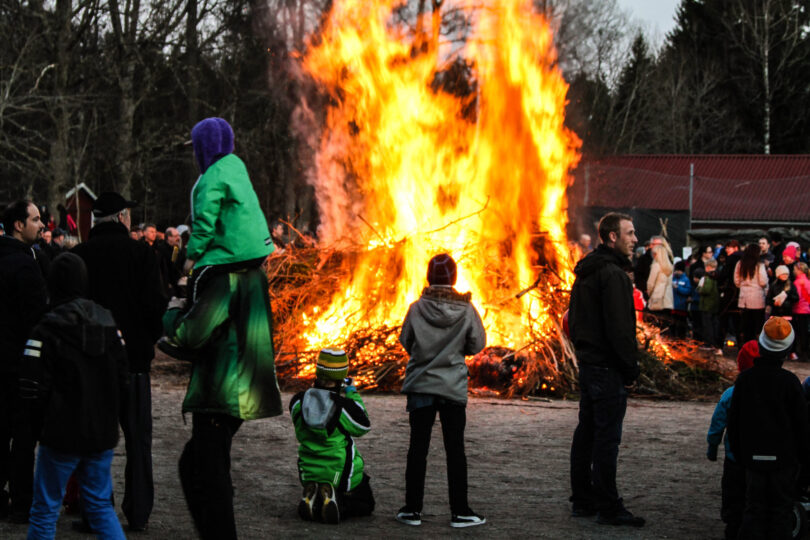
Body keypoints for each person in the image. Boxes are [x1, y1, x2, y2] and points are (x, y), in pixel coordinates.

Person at [161, 255, 283, 539]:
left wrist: (174, 310)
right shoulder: (251, 271)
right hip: (239, 387)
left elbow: (189, 333)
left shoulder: (225, 278)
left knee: (205, 476)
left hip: (222, 390)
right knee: (202, 468)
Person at [71, 192, 166, 532]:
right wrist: (147, 341)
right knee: (138, 438)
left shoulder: (80, 256)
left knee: (94, 440)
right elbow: (155, 304)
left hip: (91, 363)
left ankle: (95, 510)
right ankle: (138, 510)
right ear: (122, 218)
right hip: (133, 362)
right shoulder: (140, 254)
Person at [20, 253, 127, 540]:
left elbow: (31, 386)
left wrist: (41, 423)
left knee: (44, 510)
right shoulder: (108, 325)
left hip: (61, 434)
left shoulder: (46, 329)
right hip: (100, 433)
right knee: (101, 507)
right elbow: (122, 376)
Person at [396, 253, 487, 528]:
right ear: (455, 278)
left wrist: (425, 354)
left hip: (421, 385)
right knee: (455, 450)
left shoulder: (415, 308)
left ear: (428, 277)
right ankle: (460, 512)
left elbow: (406, 340)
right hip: (452, 388)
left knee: (417, 449)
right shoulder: (467, 310)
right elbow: (477, 344)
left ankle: (412, 510)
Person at [568, 212, 644, 527]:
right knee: (605, 438)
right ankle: (609, 506)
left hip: (590, 365)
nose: (635, 238)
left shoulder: (587, 272)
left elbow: (573, 320)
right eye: (629, 233)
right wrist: (630, 369)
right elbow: (619, 329)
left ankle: (582, 499)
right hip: (607, 368)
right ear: (612, 237)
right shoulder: (611, 275)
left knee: (586, 433)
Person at [728, 317, 810, 539]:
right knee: (780, 512)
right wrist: (801, 457)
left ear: (762, 345)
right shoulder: (790, 383)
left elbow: (734, 421)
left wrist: (739, 453)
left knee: (753, 509)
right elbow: (801, 425)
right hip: (783, 461)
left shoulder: (745, 380)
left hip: (752, 459)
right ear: (787, 350)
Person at [0, 200, 48, 523]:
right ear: (18, 224)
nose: (42, 225)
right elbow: (36, 318)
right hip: (18, 363)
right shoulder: (24, 265)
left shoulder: (22, 259)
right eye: (35, 219)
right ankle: (21, 502)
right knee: (23, 436)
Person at [183, 117, 274, 279]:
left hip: (231, 253)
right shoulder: (236, 165)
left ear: (204, 147)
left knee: (196, 280)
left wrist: (191, 258)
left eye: (195, 147)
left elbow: (205, 223)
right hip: (260, 249)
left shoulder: (211, 176)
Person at [289, 349, 373, 524]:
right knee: (366, 502)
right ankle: (337, 502)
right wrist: (351, 390)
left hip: (308, 470)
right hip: (338, 473)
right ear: (341, 377)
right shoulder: (342, 407)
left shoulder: (298, 401)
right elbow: (363, 424)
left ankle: (313, 496)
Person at [706, 340, 758, 540]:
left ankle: (733, 530)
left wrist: (712, 449)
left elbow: (717, 425)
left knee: (733, 499)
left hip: (734, 457)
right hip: (760, 459)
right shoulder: (770, 393)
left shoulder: (730, 394)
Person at [734, 244, 768, 345]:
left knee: (745, 326)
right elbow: (763, 282)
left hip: (744, 299)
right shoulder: (759, 265)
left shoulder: (740, 264)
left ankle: (745, 347)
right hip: (757, 299)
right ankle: (756, 347)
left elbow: (736, 281)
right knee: (757, 326)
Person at [646, 242, 674, 332]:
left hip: (657, 299)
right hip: (668, 301)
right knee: (665, 327)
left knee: (655, 327)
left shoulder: (656, 266)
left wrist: (649, 294)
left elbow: (650, 283)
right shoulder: (669, 267)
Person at [699, 259, 722, 354]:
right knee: (713, 324)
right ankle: (713, 343)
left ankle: (709, 343)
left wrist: (700, 288)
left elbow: (706, 290)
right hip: (714, 304)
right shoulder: (718, 276)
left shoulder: (708, 277)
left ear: (708, 267)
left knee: (708, 325)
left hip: (707, 305)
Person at [791, 262, 810, 362]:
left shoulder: (797, 282)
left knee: (797, 333)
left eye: (795, 269)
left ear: (799, 270)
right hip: (806, 310)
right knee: (805, 332)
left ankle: (799, 352)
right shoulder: (808, 281)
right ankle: (805, 353)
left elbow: (796, 297)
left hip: (798, 309)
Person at [671, 261, 691, 339]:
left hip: (682, 306)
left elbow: (688, 291)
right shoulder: (673, 278)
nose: (676, 272)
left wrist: (678, 288)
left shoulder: (686, 280)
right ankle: (673, 338)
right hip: (673, 306)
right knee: (673, 323)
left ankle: (681, 339)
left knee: (681, 324)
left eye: (677, 270)